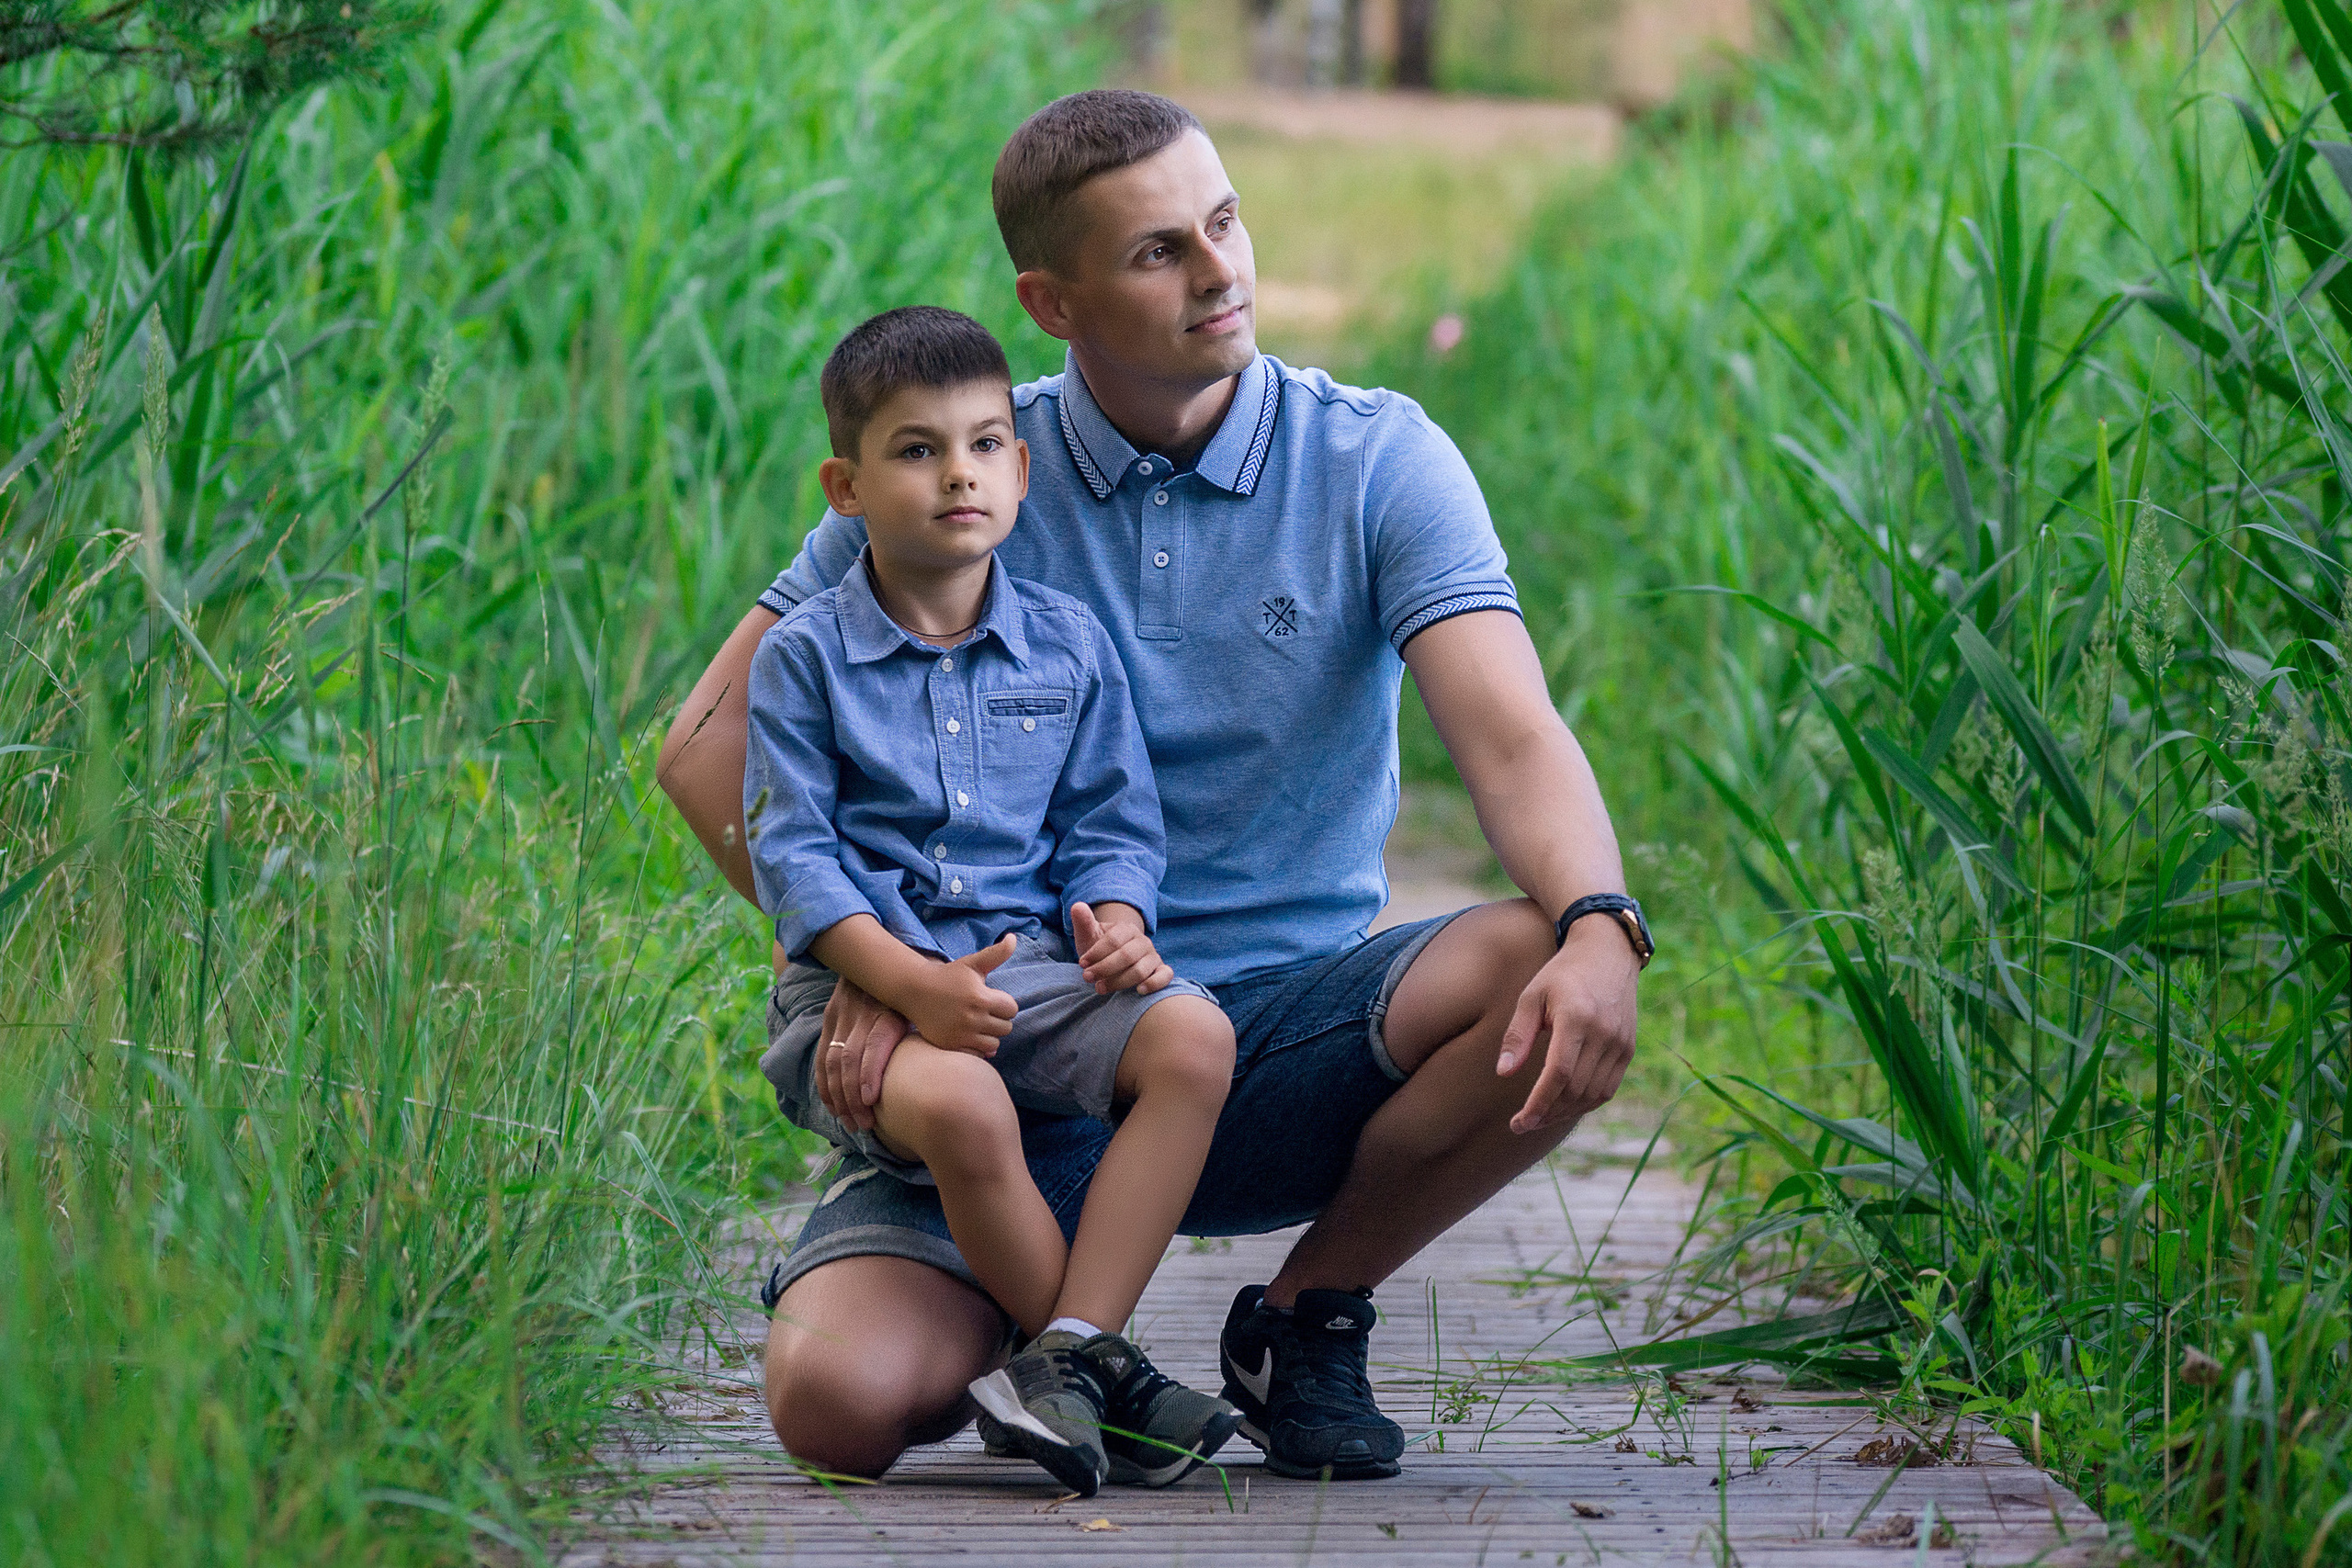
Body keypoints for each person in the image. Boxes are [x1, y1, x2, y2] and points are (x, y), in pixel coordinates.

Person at [659, 89, 1650, 1484]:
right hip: (1002, 1044)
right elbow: (704, 747)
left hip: (1269, 1052)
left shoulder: (1373, 457)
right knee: (837, 1403)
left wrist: (1604, 921)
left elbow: (1510, 731)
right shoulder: (972, 466)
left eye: (1227, 222)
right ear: (1051, 303)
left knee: (1542, 952)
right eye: (1158, 252)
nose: (1219, 272)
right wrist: (872, 969)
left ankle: (1305, 1320)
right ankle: (1064, 1338)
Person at [743, 305, 1242, 1497]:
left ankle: (1065, 1354)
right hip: (859, 997)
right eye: (916, 450)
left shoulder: (1069, 647)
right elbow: (797, 857)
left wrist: (1116, 915)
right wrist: (902, 983)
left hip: (1031, 980)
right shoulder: (804, 660)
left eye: (981, 444)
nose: (957, 472)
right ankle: (1102, 1372)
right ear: (846, 484)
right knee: (962, 1105)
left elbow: (1114, 818)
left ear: (1018, 470)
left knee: (1193, 1037)